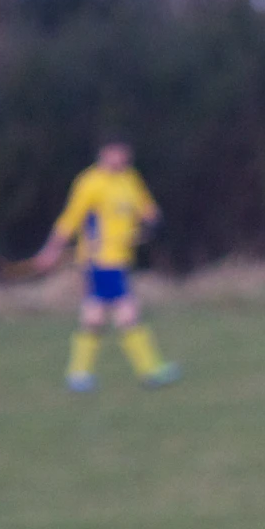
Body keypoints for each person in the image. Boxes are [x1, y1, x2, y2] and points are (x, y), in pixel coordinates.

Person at [30, 140, 178, 390]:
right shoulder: (90, 182)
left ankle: (78, 374)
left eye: (124, 154)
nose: (121, 159)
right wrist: (51, 250)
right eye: (116, 154)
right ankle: (150, 371)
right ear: (104, 153)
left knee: (94, 317)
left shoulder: (129, 178)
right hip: (99, 260)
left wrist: (153, 221)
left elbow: (146, 207)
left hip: (120, 258)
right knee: (127, 312)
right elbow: (70, 219)